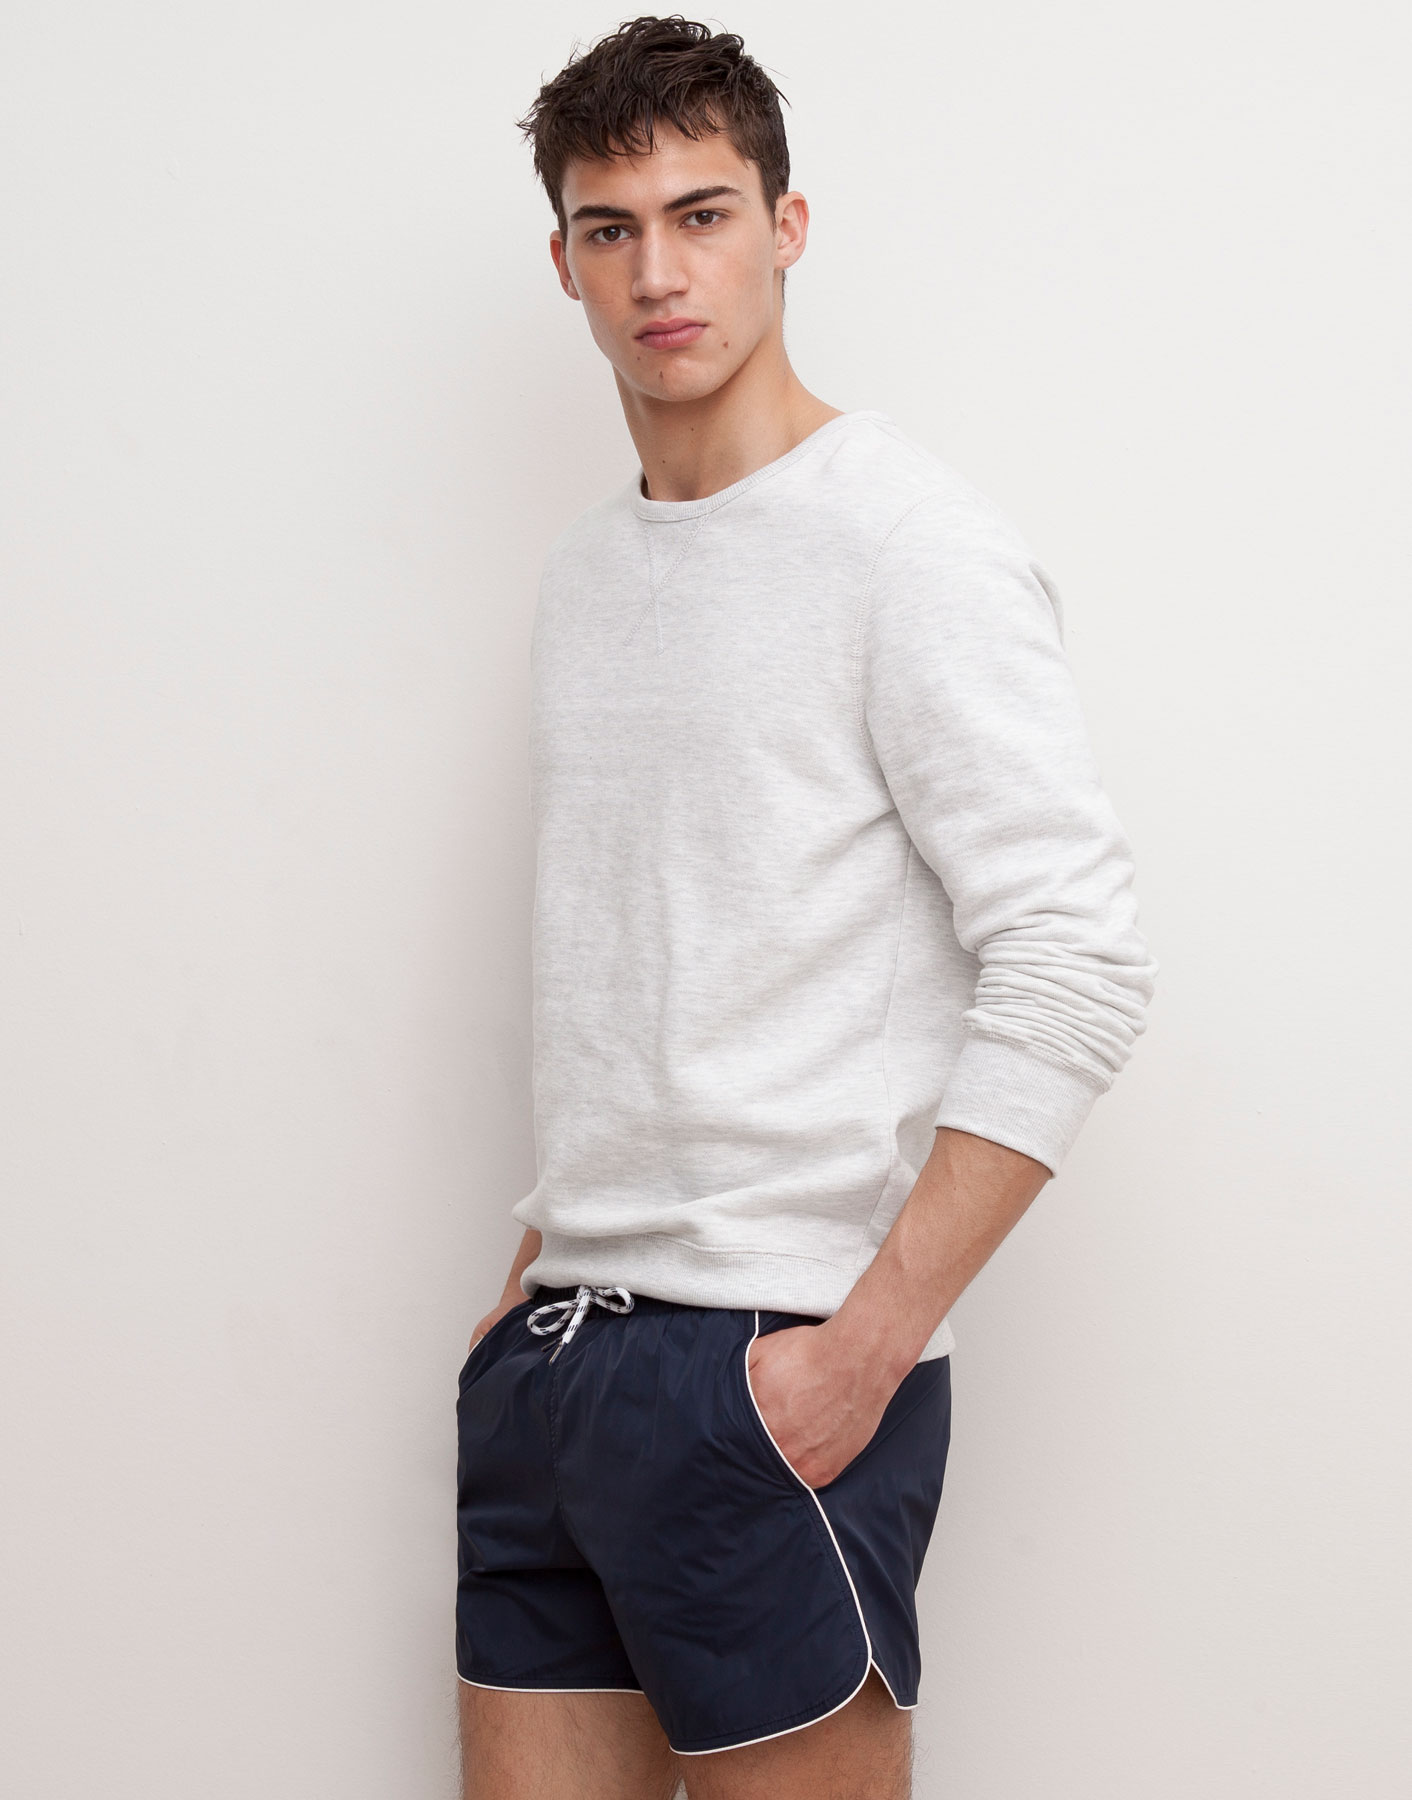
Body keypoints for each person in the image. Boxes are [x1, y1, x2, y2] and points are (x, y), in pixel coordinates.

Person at [454, 16, 1158, 1798]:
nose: (658, 272)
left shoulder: (907, 544)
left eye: (702, 215)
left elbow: (1076, 958)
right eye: (611, 229)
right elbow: (648, 950)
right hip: (560, 1359)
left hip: (771, 1365)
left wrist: (869, 1343)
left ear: (786, 226)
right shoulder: (586, 571)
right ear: (563, 262)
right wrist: (538, 1273)